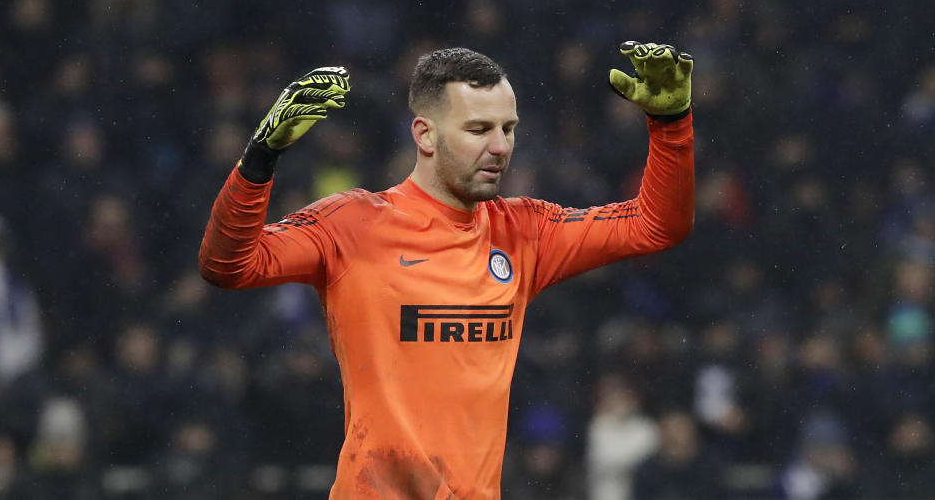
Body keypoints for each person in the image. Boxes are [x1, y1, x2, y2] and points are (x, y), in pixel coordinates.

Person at [199, 42, 695, 499]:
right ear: (425, 134)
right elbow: (229, 265)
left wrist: (671, 124)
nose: (500, 146)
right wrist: (260, 157)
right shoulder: (353, 224)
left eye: (509, 128)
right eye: (479, 129)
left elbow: (656, 225)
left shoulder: (525, 232)